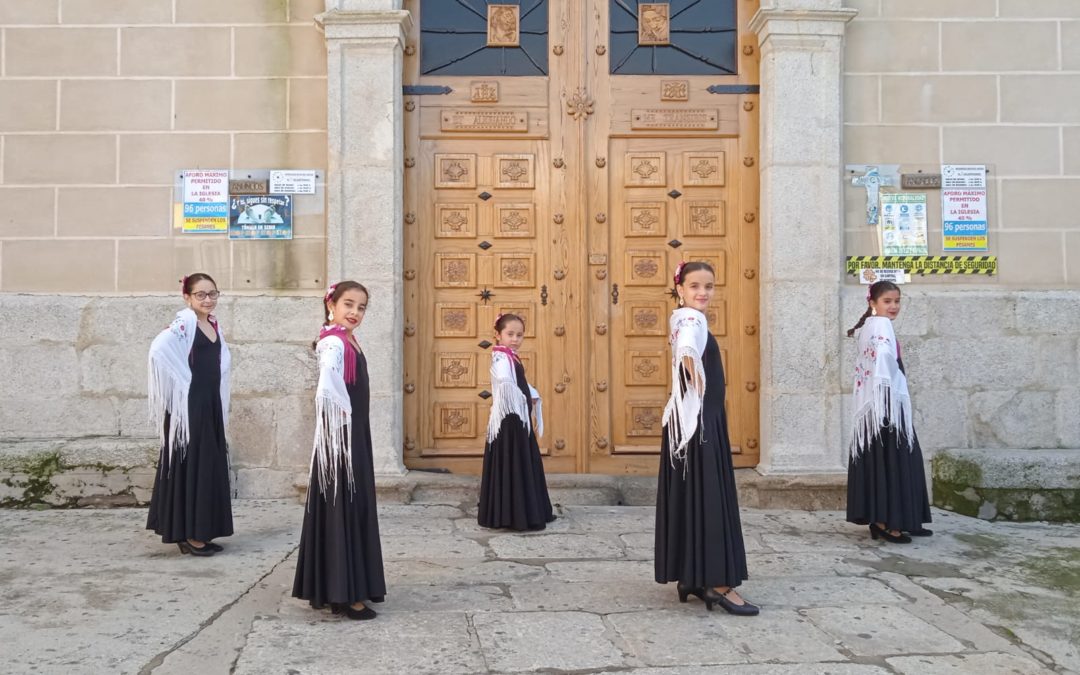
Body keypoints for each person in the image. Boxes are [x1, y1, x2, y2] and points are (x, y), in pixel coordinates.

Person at [655, 261, 758, 616]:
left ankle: (692, 576)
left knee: (693, 497)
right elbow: (687, 348)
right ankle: (719, 584)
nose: (703, 292)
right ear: (679, 288)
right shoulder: (691, 319)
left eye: (709, 286)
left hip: (689, 423)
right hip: (699, 425)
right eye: (695, 285)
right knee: (710, 500)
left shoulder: (680, 316)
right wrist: (691, 368)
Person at [292, 281, 386, 620]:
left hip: (352, 435)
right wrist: (340, 427)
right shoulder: (333, 341)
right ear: (330, 303)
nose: (355, 312)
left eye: (361, 307)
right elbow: (327, 388)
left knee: (349, 505)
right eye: (348, 304)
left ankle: (343, 586)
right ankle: (344, 594)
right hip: (341, 441)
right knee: (342, 505)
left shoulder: (347, 339)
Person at [146, 273, 233, 556]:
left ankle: (200, 531)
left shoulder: (212, 325)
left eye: (212, 294)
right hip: (190, 407)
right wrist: (181, 382)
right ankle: (190, 535)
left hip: (209, 405)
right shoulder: (184, 323)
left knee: (206, 465)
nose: (208, 300)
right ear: (187, 297)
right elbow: (159, 349)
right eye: (201, 295)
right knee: (193, 465)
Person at [845, 281, 932, 543]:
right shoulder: (881, 325)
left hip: (877, 405)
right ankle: (887, 522)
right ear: (873, 303)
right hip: (886, 406)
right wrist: (888, 388)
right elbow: (883, 359)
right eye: (887, 301)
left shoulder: (868, 326)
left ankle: (897, 518)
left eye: (897, 301)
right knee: (896, 461)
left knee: (892, 460)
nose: (893, 306)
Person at [477, 313, 555, 531]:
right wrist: (520, 399)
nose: (515, 339)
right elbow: (505, 382)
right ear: (498, 335)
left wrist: (530, 394)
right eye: (510, 334)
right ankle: (515, 516)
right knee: (512, 462)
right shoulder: (501, 358)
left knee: (521, 462)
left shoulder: (511, 357)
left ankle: (522, 512)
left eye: (519, 335)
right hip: (509, 421)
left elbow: (519, 383)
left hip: (518, 418)